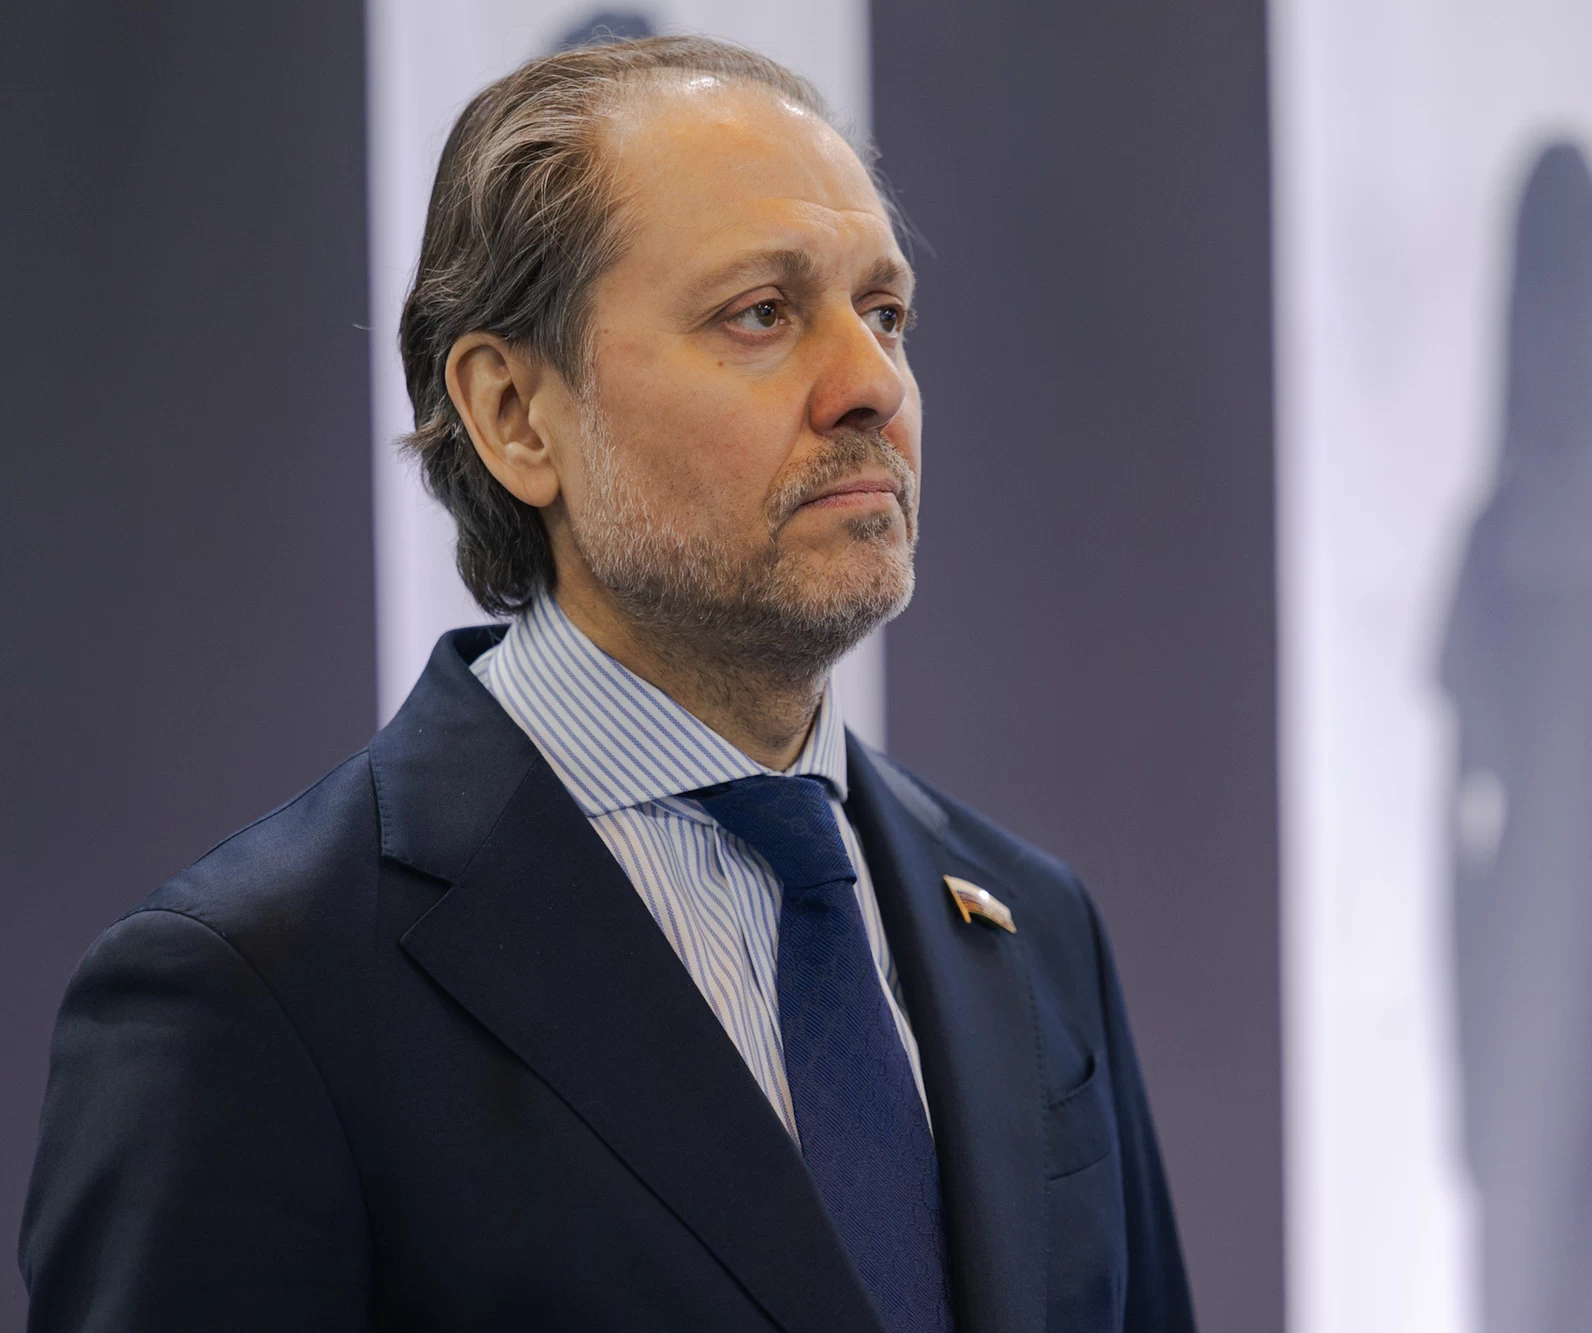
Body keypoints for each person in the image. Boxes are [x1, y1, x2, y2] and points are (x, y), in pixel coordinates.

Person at [18, 35, 1194, 1333]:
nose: (872, 384)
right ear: (516, 414)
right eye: (761, 312)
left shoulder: (1034, 926)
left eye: (885, 313)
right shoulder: (254, 992)